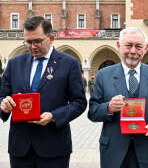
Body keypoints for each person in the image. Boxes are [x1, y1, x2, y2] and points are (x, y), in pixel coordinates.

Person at [0, 16, 87, 168]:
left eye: (38, 41)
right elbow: (2, 96)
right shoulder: (14, 64)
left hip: (54, 148)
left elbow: (79, 102)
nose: (33, 46)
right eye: (28, 42)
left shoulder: (69, 63)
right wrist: (3, 104)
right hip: (20, 148)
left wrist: (54, 116)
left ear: (51, 38)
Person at [88, 27, 148, 168]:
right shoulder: (103, 75)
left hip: (146, 150)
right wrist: (108, 107)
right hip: (113, 152)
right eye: (128, 45)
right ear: (118, 45)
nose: (133, 51)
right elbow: (92, 111)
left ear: (145, 48)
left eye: (138, 46)